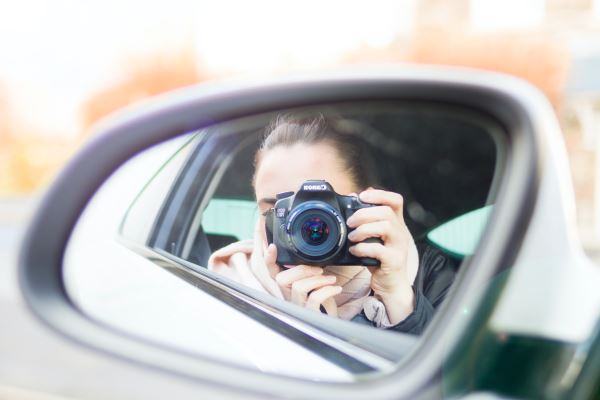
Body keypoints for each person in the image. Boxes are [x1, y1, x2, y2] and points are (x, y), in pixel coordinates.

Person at [208, 114, 457, 334]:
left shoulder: (430, 276)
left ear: (367, 203)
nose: (300, 223)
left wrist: (398, 297)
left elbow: (447, 378)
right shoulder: (232, 288)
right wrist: (297, 327)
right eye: (276, 209)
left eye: (318, 205)